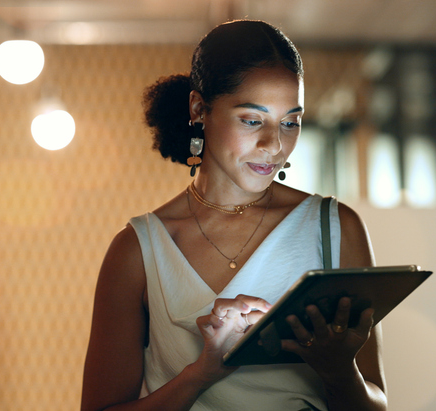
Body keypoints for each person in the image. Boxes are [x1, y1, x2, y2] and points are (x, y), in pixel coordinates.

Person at [81, 20, 386, 411]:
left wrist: (340, 371)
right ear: (198, 109)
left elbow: (377, 403)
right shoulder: (138, 251)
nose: (274, 145)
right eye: (252, 120)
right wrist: (201, 374)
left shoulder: (335, 228)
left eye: (290, 122)